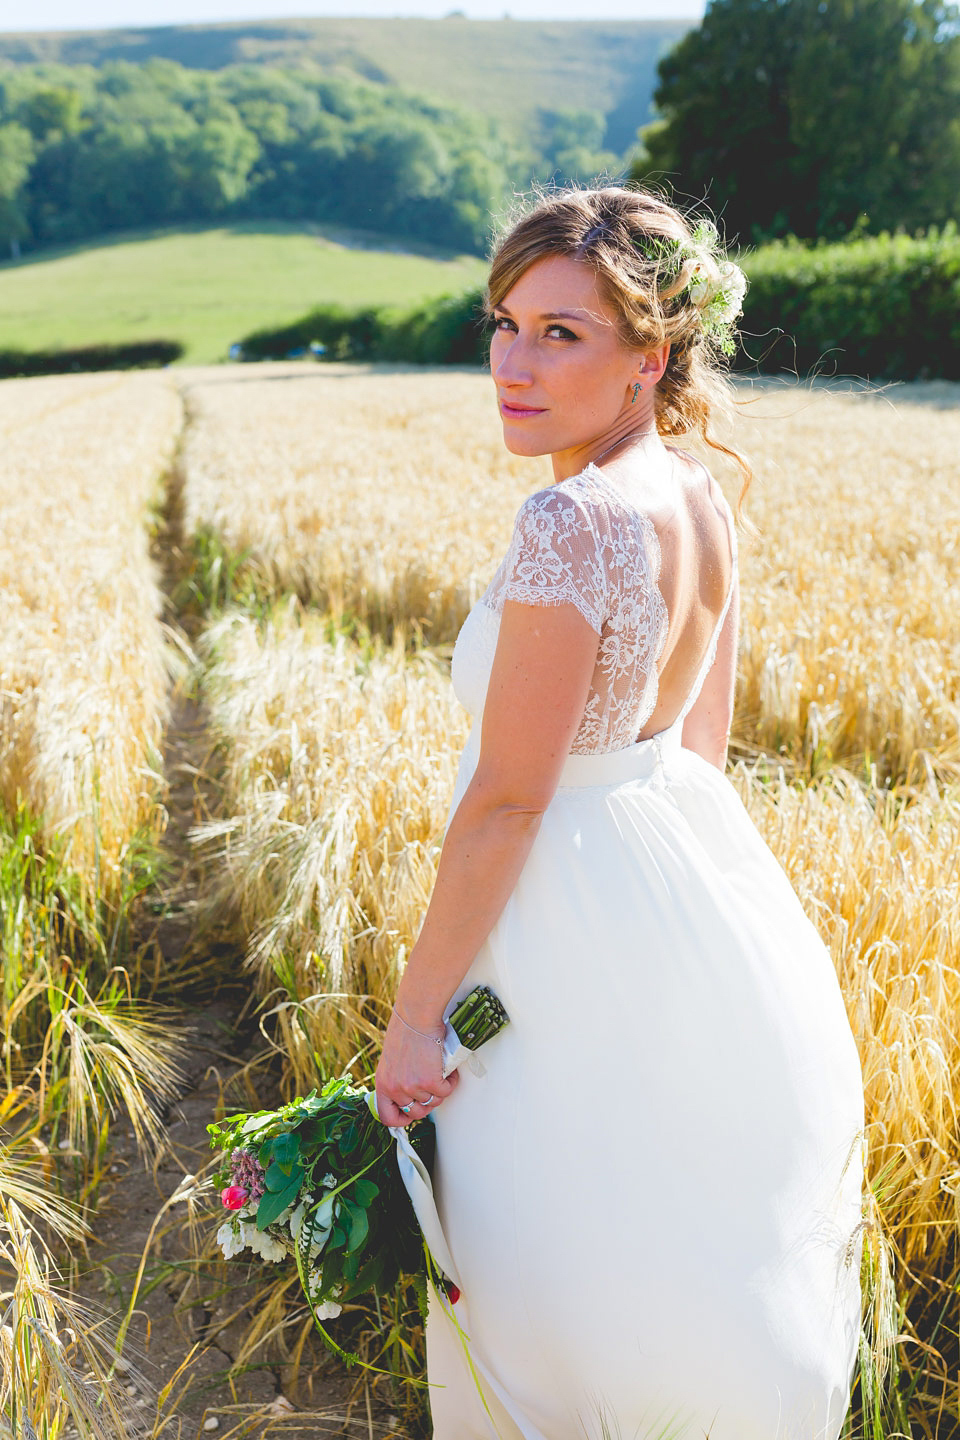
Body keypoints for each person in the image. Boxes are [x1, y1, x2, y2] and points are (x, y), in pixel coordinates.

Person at [374, 184, 865, 1440]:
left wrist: (419, 1016)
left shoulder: (567, 522)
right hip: (683, 884)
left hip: (555, 918)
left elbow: (504, 805)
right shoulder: (697, 499)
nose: (512, 363)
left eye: (561, 334)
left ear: (651, 356)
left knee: (550, 1263)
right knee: (676, 1234)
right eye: (503, 323)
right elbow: (697, 744)